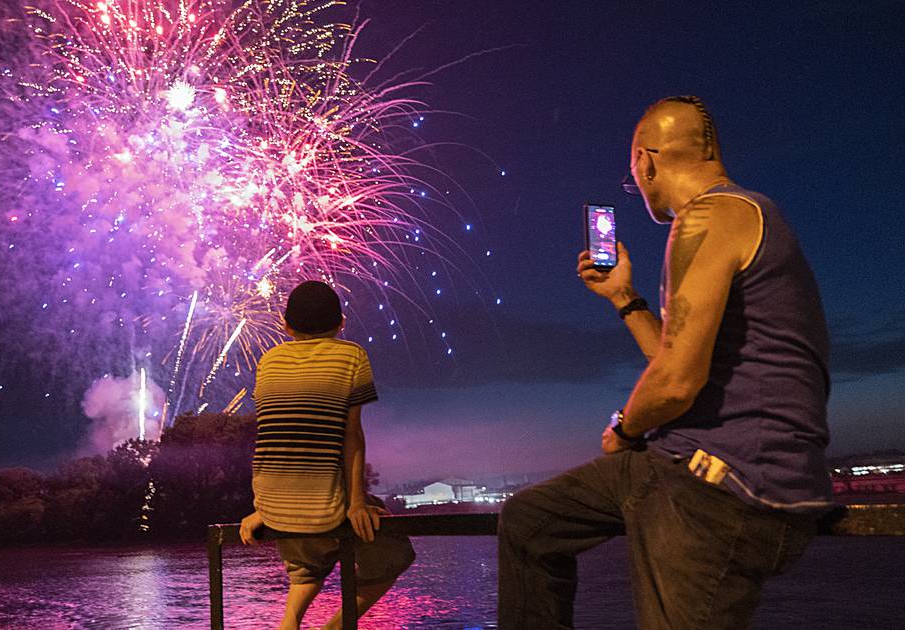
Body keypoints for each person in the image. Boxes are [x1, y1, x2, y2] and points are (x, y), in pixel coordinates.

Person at [497, 96, 832, 629]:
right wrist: (624, 299)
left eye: (634, 175)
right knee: (529, 520)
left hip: (723, 486)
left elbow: (676, 383)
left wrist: (625, 430)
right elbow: (680, 360)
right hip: (691, 465)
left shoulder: (711, 215)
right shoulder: (744, 213)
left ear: (645, 162)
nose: (639, 183)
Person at [239, 280, 415, 630]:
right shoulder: (352, 356)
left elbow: (277, 435)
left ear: (284, 324)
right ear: (341, 324)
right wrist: (355, 503)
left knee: (306, 570)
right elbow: (352, 435)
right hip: (324, 509)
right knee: (395, 555)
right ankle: (334, 628)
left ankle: (289, 622)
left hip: (273, 507)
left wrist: (262, 509)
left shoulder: (268, 361)